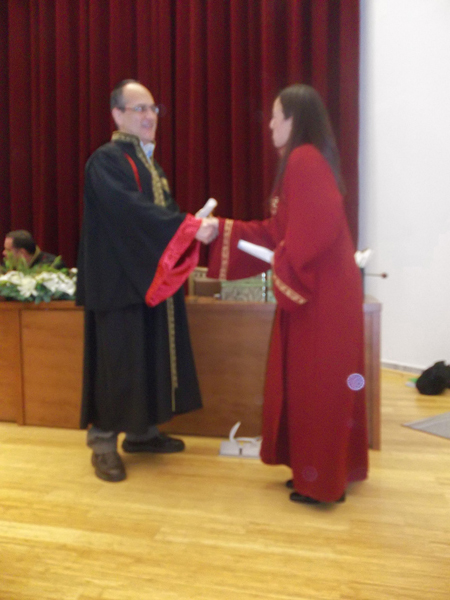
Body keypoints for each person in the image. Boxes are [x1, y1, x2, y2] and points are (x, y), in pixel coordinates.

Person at [207, 84, 368, 504]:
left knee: (318, 386)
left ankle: (323, 484)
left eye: (276, 115)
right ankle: (316, 471)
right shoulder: (303, 160)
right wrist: (220, 230)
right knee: (311, 385)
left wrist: (284, 259)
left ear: (294, 119)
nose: (270, 124)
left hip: (322, 296)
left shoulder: (303, 159)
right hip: (321, 291)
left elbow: (315, 232)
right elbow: (278, 232)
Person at [76, 79, 217, 482]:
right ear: (117, 114)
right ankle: (103, 444)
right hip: (118, 285)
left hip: (148, 281)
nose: (149, 116)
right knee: (117, 365)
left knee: (148, 358)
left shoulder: (149, 163)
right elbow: (130, 213)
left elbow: (160, 215)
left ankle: (142, 433)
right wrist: (186, 227)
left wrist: (187, 227)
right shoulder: (106, 160)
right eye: (139, 108)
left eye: (153, 108)